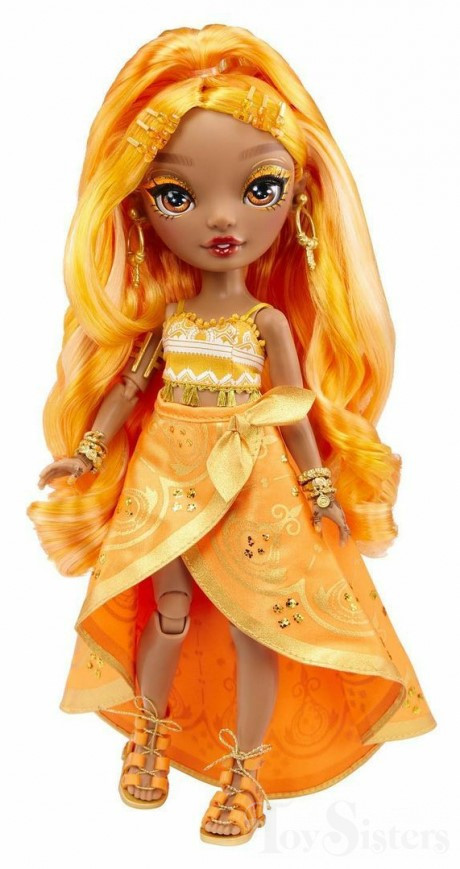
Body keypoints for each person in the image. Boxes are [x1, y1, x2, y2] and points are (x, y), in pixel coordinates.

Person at [27, 24, 436, 846]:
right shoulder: (170, 319)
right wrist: (89, 452)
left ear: (298, 202)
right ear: (139, 208)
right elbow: (128, 388)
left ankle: (245, 774)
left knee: (259, 625)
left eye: (259, 188)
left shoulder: (267, 322)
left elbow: (292, 405)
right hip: (167, 473)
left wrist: (319, 486)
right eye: (177, 195)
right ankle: (148, 735)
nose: (221, 219)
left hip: (254, 479)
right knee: (168, 611)